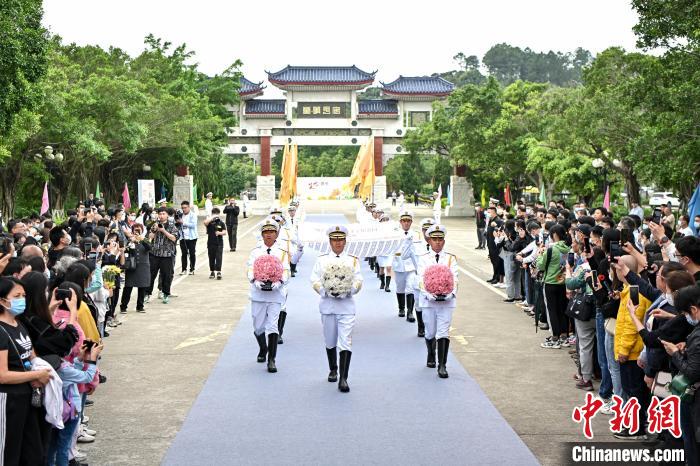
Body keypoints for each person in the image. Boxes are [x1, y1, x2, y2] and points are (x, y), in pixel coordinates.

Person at [0, 277, 53, 466]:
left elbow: (31, 354)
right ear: (2, 301)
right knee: (8, 453)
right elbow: (2, 375)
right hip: (8, 401)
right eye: (16, 296)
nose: (21, 299)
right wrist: (36, 375)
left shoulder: (18, 323)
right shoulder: (1, 331)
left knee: (33, 453)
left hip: (28, 397)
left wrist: (40, 368)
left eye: (23, 295)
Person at [310, 225, 362, 393]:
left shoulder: (353, 260)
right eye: (335, 240)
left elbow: (358, 280)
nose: (338, 243)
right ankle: (333, 368)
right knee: (330, 340)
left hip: (346, 306)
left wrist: (348, 289)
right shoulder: (322, 259)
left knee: (345, 341)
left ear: (345, 241)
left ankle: (343, 378)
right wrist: (326, 291)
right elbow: (314, 280)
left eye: (341, 240)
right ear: (330, 241)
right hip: (328, 305)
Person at [246, 219, 290, 373]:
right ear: (262, 234)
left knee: (272, 326)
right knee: (258, 326)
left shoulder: (282, 252)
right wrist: (254, 280)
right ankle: (263, 349)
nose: (269, 235)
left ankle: (272, 360)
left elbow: (286, 270)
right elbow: (250, 269)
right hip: (258, 293)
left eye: (271, 232)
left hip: (276, 294)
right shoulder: (255, 251)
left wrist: (280, 282)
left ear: (276, 234)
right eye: (266, 232)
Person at [417, 224, 458, 379]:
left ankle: (442, 365)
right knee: (430, 331)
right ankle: (430, 353)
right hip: (429, 301)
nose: (438, 242)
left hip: (446, 302)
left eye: (440, 239)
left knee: (443, 332)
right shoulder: (423, 259)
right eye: (434, 239)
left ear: (444, 241)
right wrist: (428, 293)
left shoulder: (450, 258)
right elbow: (420, 279)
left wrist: (451, 293)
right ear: (429, 241)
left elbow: (455, 278)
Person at [537, 224, 570, 349]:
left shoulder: (551, 249)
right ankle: (564, 336)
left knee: (552, 310)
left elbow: (540, 265)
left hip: (550, 282)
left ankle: (555, 337)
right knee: (562, 310)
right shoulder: (567, 249)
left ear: (555, 235)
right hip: (563, 283)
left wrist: (540, 253)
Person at [146, 208, 180, 305]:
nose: (161, 216)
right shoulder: (154, 224)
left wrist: (163, 230)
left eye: (163, 214)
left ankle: (165, 294)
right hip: (155, 254)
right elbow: (150, 238)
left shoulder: (172, 226)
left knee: (166, 276)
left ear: (167, 215)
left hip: (167, 255)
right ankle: (147, 294)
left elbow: (174, 238)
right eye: (159, 214)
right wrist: (154, 230)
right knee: (151, 275)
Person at [393, 211, 420, 325]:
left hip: (411, 264)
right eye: (404, 221)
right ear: (400, 222)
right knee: (400, 287)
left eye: (408, 221)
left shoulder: (416, 234)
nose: (406, 223)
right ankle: (401, 308)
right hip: (399, 263)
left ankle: (410, 312)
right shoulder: (394, 233)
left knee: (410, 287)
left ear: (411, 222)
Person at [120, 223, 151, 313]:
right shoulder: (129, 240)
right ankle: (123, 306)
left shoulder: (145, 239)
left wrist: (142, 240)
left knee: (142, 287)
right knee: (128, 287)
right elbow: (124, 249)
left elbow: (149, 248)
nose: (137, 230)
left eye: (139, 229)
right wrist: (130, 241)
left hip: (143, 266)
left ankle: (140, 306)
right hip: (131, 267)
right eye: (135, 229)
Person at [204, 208, 226, 280]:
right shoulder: (210, 222)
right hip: (211, 242)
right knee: (211, 257)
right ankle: (212, 271)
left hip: (219, 243)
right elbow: (205, 223)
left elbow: (224, 232)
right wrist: (212, 217)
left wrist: (219, 233)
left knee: (219, 257)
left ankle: (219, 272)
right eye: (214, 214)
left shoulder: (221, 222)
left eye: (217, 214)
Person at [178, 201, 198, 276]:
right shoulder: (180, 215)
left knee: (192, 253)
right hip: (183, 237)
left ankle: (192, 268)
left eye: (185, 208)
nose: (184, 209)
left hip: (192, 237)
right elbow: (178, 225)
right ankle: (184, 269)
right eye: (182, 208)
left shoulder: (193, 215)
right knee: (184, 254)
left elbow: (193, 225)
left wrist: (183, 222)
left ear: (189, 207)